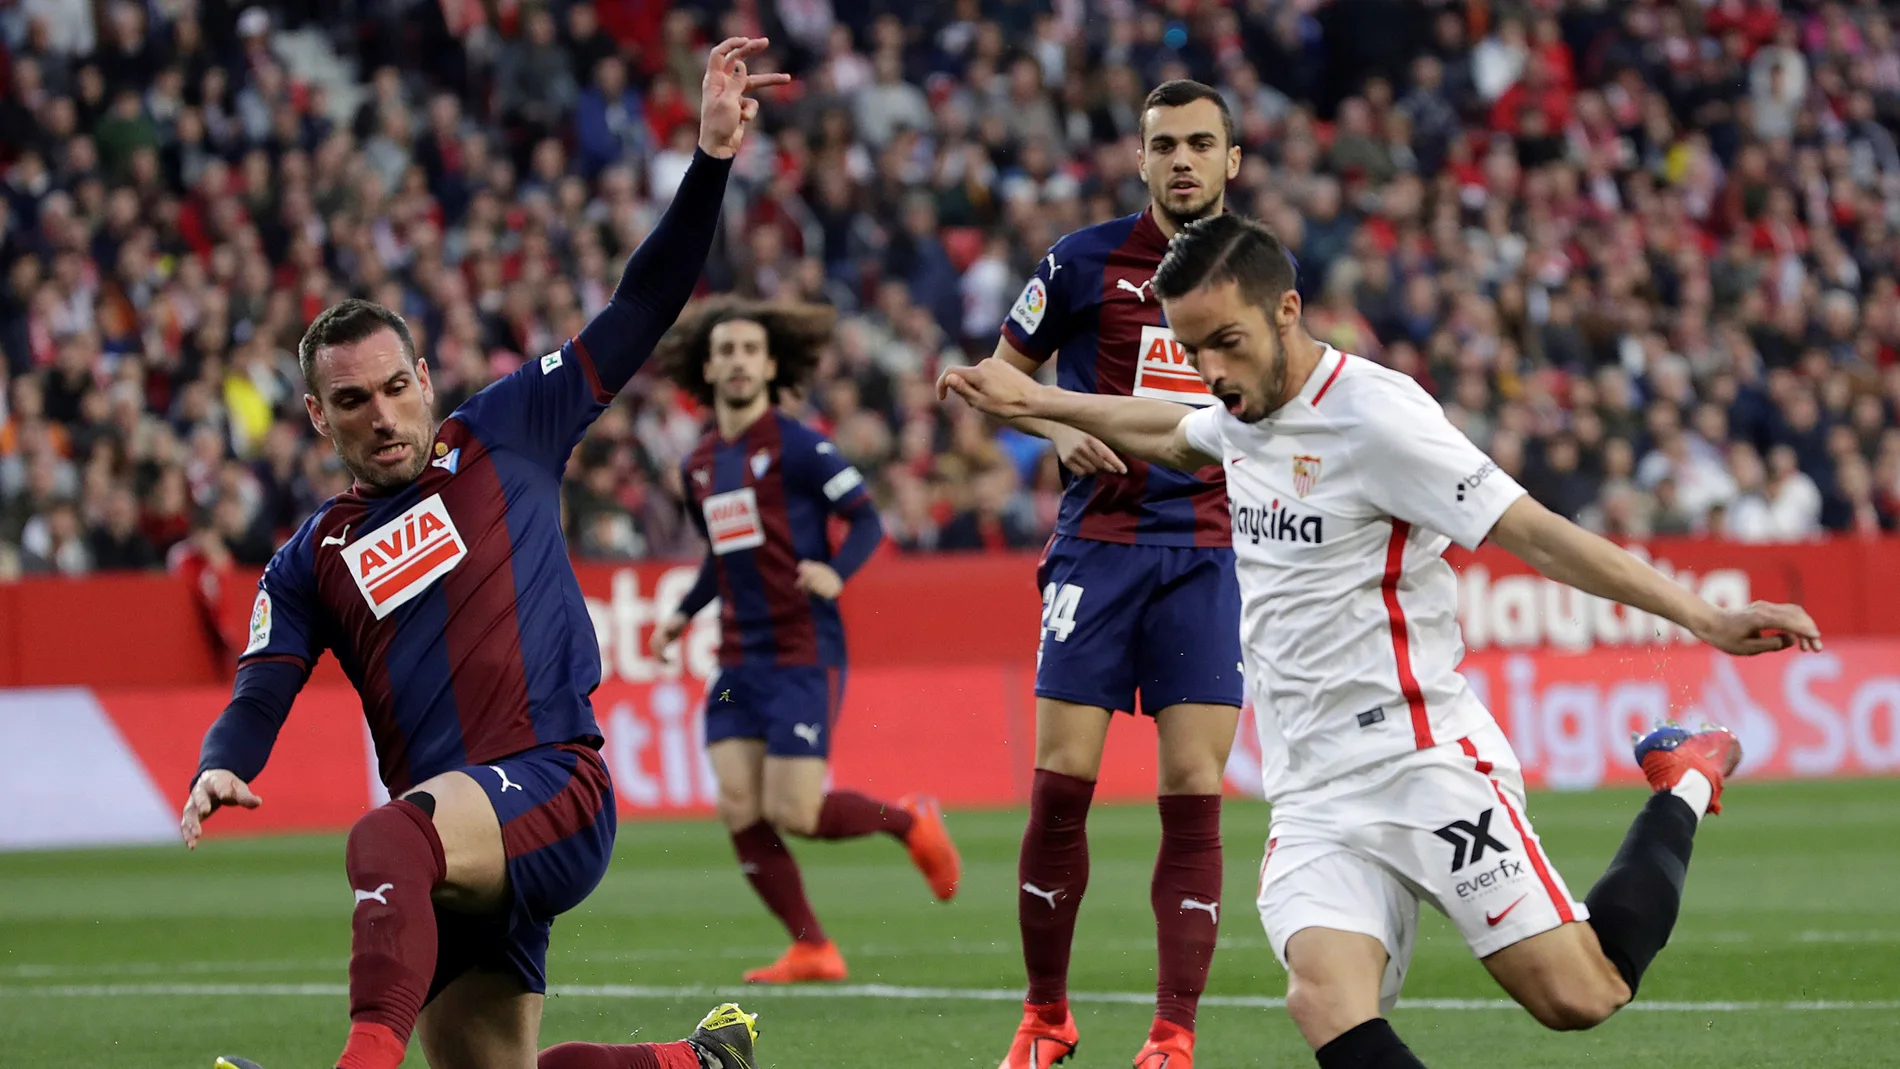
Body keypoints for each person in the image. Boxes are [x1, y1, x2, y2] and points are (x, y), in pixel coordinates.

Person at [939, 213, 1823, 1069]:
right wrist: (1039, 400)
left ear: (1287, 310)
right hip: (1312, 791)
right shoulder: (1241, 410)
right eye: (1191, 349)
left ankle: (1687, 777)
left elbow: (1539, 533)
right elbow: (1177, 433)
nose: (1210, 372)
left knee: (1578, 995)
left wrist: (1704, 617)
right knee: (1323, 998)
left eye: (1226, 344)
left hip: (1419, 758)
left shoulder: (1380, 420)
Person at [180, 39, 788, 1069]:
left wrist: (711, 162)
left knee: (379, 840)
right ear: (318, 418)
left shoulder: (504, 428)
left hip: (549, 785)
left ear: (423, 374)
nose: (383, 415)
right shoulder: (312, 554)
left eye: (394, 386)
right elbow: (263, 680)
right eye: (352, 401)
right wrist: (222, 764)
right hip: (454, 848)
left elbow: (640, 307)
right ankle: (694, 1062)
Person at [981, 78, 1246, 1069]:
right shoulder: (1082, 259)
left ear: (1231, 161)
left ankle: (1172, 1036)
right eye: (1164, 144)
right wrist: (1056, 423)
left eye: (1200, 143)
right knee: (1061, 788)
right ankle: (1045, 1015)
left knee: (1192, 788)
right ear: (1140, 160)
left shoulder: (1259, 273)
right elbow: (997, 375)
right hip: (1097, 550)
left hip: (1211, 556)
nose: (1182, 159)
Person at [648, 298, 962, 985]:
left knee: (795, 812)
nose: (736, 361)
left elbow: (867, 520)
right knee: (738, 804)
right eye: (724, 350)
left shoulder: (798, 445)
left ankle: (906, 820)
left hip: (800, 649)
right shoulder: (698, 464)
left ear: (768, 365)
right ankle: (813, 946)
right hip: (735, 657)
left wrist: (835, 570)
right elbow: (718, 556)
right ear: (707, 367)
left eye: (748, 351)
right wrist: (683, 612)